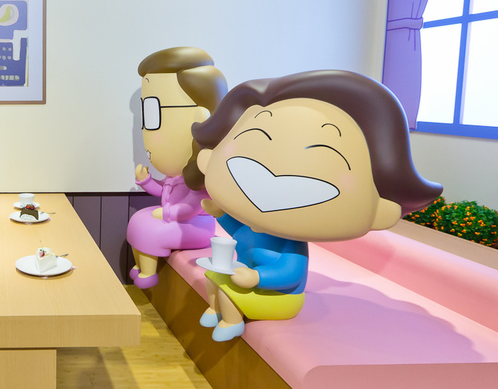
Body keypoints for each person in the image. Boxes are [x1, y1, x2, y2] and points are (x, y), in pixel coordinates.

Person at [192, 70, 443, 341]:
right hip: (249, 279)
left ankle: (231, 321)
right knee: (214, 279)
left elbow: (290, 273)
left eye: (323, 151)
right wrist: (222, 215)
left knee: (229, 291)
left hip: (281, 298)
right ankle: (215, 310)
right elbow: (241, 233)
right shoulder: (256, 228)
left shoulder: (291, 242)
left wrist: (257, 278)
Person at [126, 47, 227, 289]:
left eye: (154, 113)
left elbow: (190, 208)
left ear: (201, 118)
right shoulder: (177, 176)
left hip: (197, 227)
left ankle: (148, 273)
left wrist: (167, 214)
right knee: (139, 219)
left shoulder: (201, 178)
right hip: (181, 222)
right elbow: (165, 192)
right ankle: (141, 267)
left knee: (148, 228)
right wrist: (146, 181)